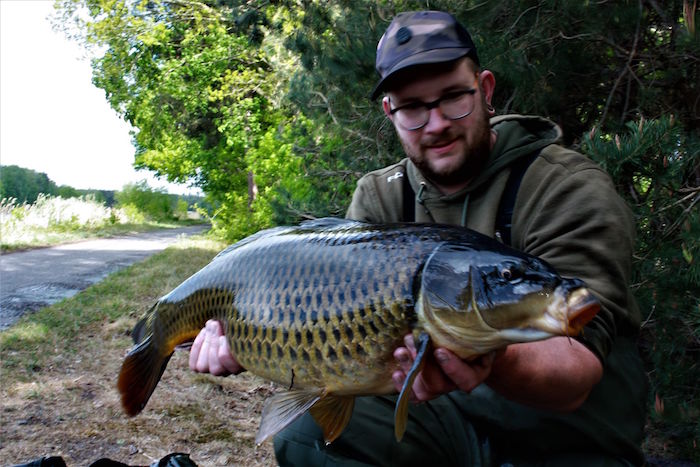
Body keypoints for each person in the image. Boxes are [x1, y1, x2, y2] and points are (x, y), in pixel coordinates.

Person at [189, 10, 647, 466]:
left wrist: (491, 357)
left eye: (453, 97)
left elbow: (578, 370)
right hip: (442, 423)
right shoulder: (380, 197)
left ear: (485, 90)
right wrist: (251, 339)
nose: (437, 122)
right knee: (307, 439)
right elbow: (331, 337)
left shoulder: (565, 187)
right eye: (412, 107)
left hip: (567, 437)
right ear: (391, 113)